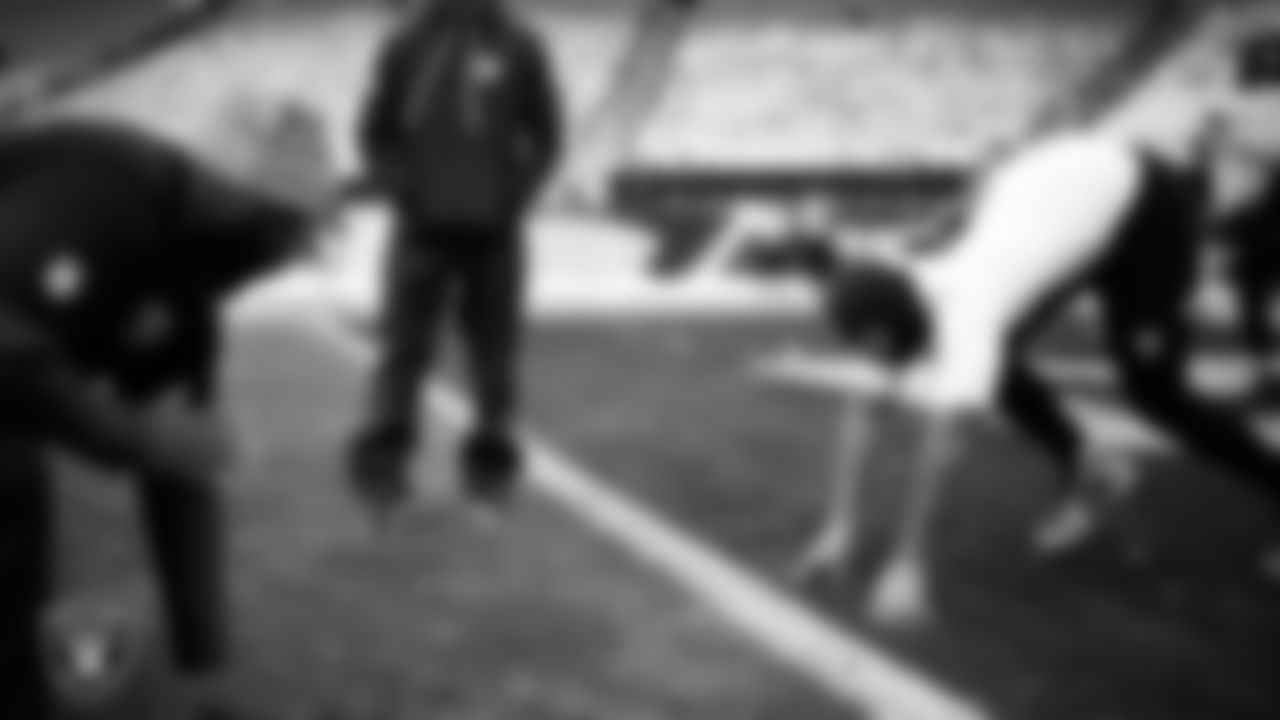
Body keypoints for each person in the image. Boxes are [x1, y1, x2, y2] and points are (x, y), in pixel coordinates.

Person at [740, 113, 1280, 609]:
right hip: (1074, 199)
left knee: (1156, 392)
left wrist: (910, 561)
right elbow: (864, 408)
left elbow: (940, 444)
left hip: (1144, 205)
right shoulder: (904, 280)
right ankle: (1091, 472)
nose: (879, 364)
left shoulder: (968, 315)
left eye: (877, 348)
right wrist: (840, 525)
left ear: (895, 327)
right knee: (998, 371)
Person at [0, 105, 343, 720]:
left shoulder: (183, 284)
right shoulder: (101, 190)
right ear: (242, 205)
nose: (283, 261)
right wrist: (138, 440)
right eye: (286, 237)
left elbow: (183, 468)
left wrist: (204, 663)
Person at [350, 0, 562, 519]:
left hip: (495, 233)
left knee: (495, 362)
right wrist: (403, 190)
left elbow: (548, 137)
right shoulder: (405, 42)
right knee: (402, 355)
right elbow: (374, 132)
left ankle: (488, 478)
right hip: (421, 230)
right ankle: (383, 480)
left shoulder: (523, 44)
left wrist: (515, 197)